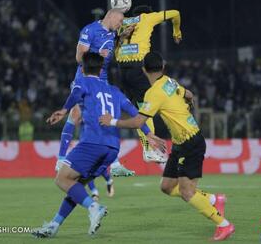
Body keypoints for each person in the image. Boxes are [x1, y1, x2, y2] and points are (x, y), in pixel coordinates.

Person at [100, 52, 235, 241]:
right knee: (167, 187)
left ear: (143, 69)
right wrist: (188, 100)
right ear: (162, 67)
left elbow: (138, 122)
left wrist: (112, 121)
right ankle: (214, 200)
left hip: (190, 142)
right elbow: (188, 93)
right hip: (181, 142)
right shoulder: (170, 82)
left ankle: (224, 225)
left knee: (187, 192)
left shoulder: (153, 92)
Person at [32, 52, 165, 238]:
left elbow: (76, 93)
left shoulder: (83, 82)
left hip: (92, 143)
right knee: (76, 187)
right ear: (102, 69)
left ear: (83, 68)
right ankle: (53, 225)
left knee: (61, 179)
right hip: (112, 148)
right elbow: (136, 114)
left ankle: (94, 208)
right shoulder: (115, 91)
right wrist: (149, 134)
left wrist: (63, 110)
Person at [59, 8, 137, 179]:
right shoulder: (90, 30)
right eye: (119, 21)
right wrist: (96, 55)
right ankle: (61, 159)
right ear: (111, 16)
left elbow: (111, 47)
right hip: (85, 78)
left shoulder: (112, 34)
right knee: (77, 114)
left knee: (105, 118)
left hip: (102, 81)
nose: (120, 25)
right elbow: (79, 58)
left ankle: (114, 164)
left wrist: (122, 37)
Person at [115, 5, 182, 164]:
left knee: (139, 111)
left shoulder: (123, 21)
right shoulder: (148, 17)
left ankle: (147, 148)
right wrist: (176, 32)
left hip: (122, 71)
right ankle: (150, 149)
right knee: (146, 110)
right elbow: (175, 13)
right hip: (138, 68)